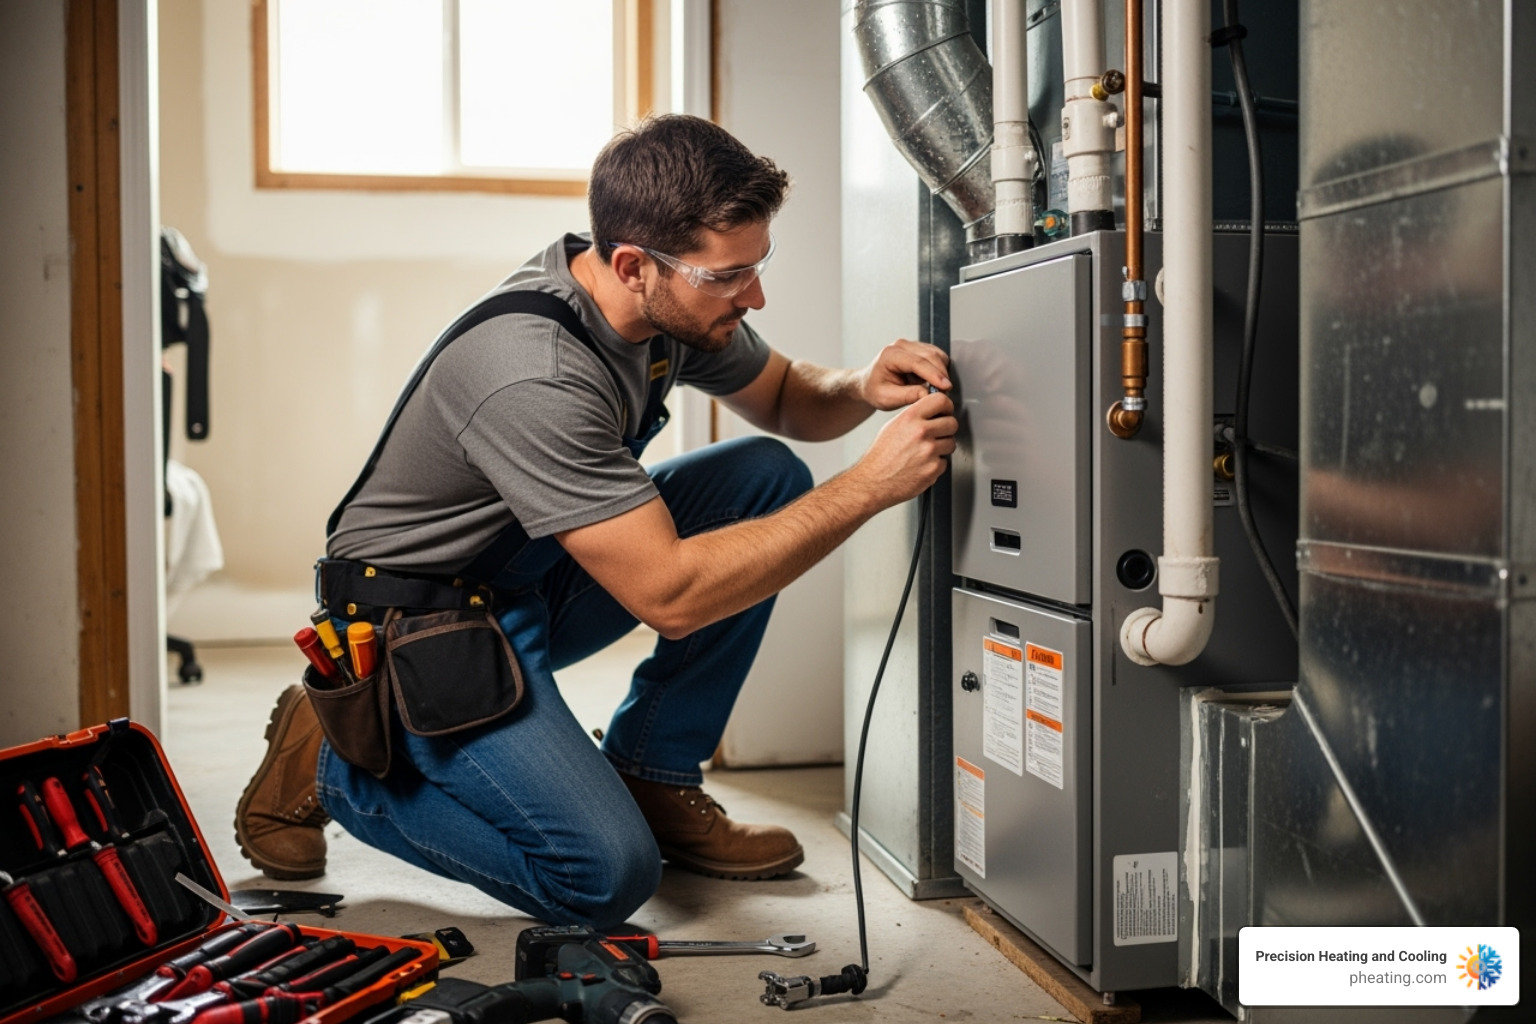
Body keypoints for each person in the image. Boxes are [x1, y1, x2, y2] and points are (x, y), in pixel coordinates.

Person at [234, 114, 956, 928]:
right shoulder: (533, 370)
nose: (754, 296)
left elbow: (788, 398)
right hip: (418, 627)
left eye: (758, 265)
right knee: (602, 876)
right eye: (729, 276)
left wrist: (862, 384)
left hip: (524, 580)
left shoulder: (665, 305)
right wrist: (869, 487)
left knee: (764, 478)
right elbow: (671, 596)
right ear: (632, 265)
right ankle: (337, 764)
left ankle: (653, 773)